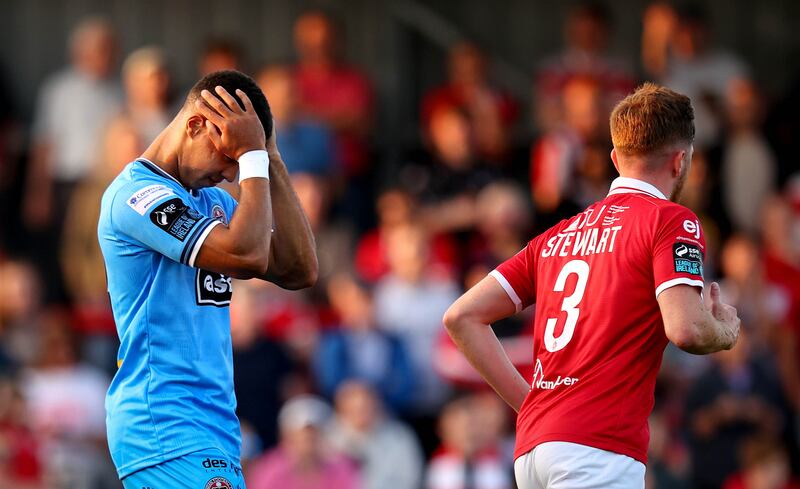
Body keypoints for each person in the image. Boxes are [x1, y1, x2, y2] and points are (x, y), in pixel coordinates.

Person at [443, 83, 741, 489]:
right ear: (680, 160)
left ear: (616, 159)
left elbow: (462, 316)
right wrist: (724, 331)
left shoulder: (556, 236)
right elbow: (686, 329)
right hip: (597, 450)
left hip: (534, 450)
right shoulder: (670, 220)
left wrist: (531, 405)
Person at [97, 70, 318, 488]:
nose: (235, 176)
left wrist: (269, 155)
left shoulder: (211, 201)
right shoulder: (136, 196)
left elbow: (299, 268)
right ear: (197, 125)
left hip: (210, 426)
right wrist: (252, 156)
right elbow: (247, 256)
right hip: (164, 421)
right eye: (229, 156)